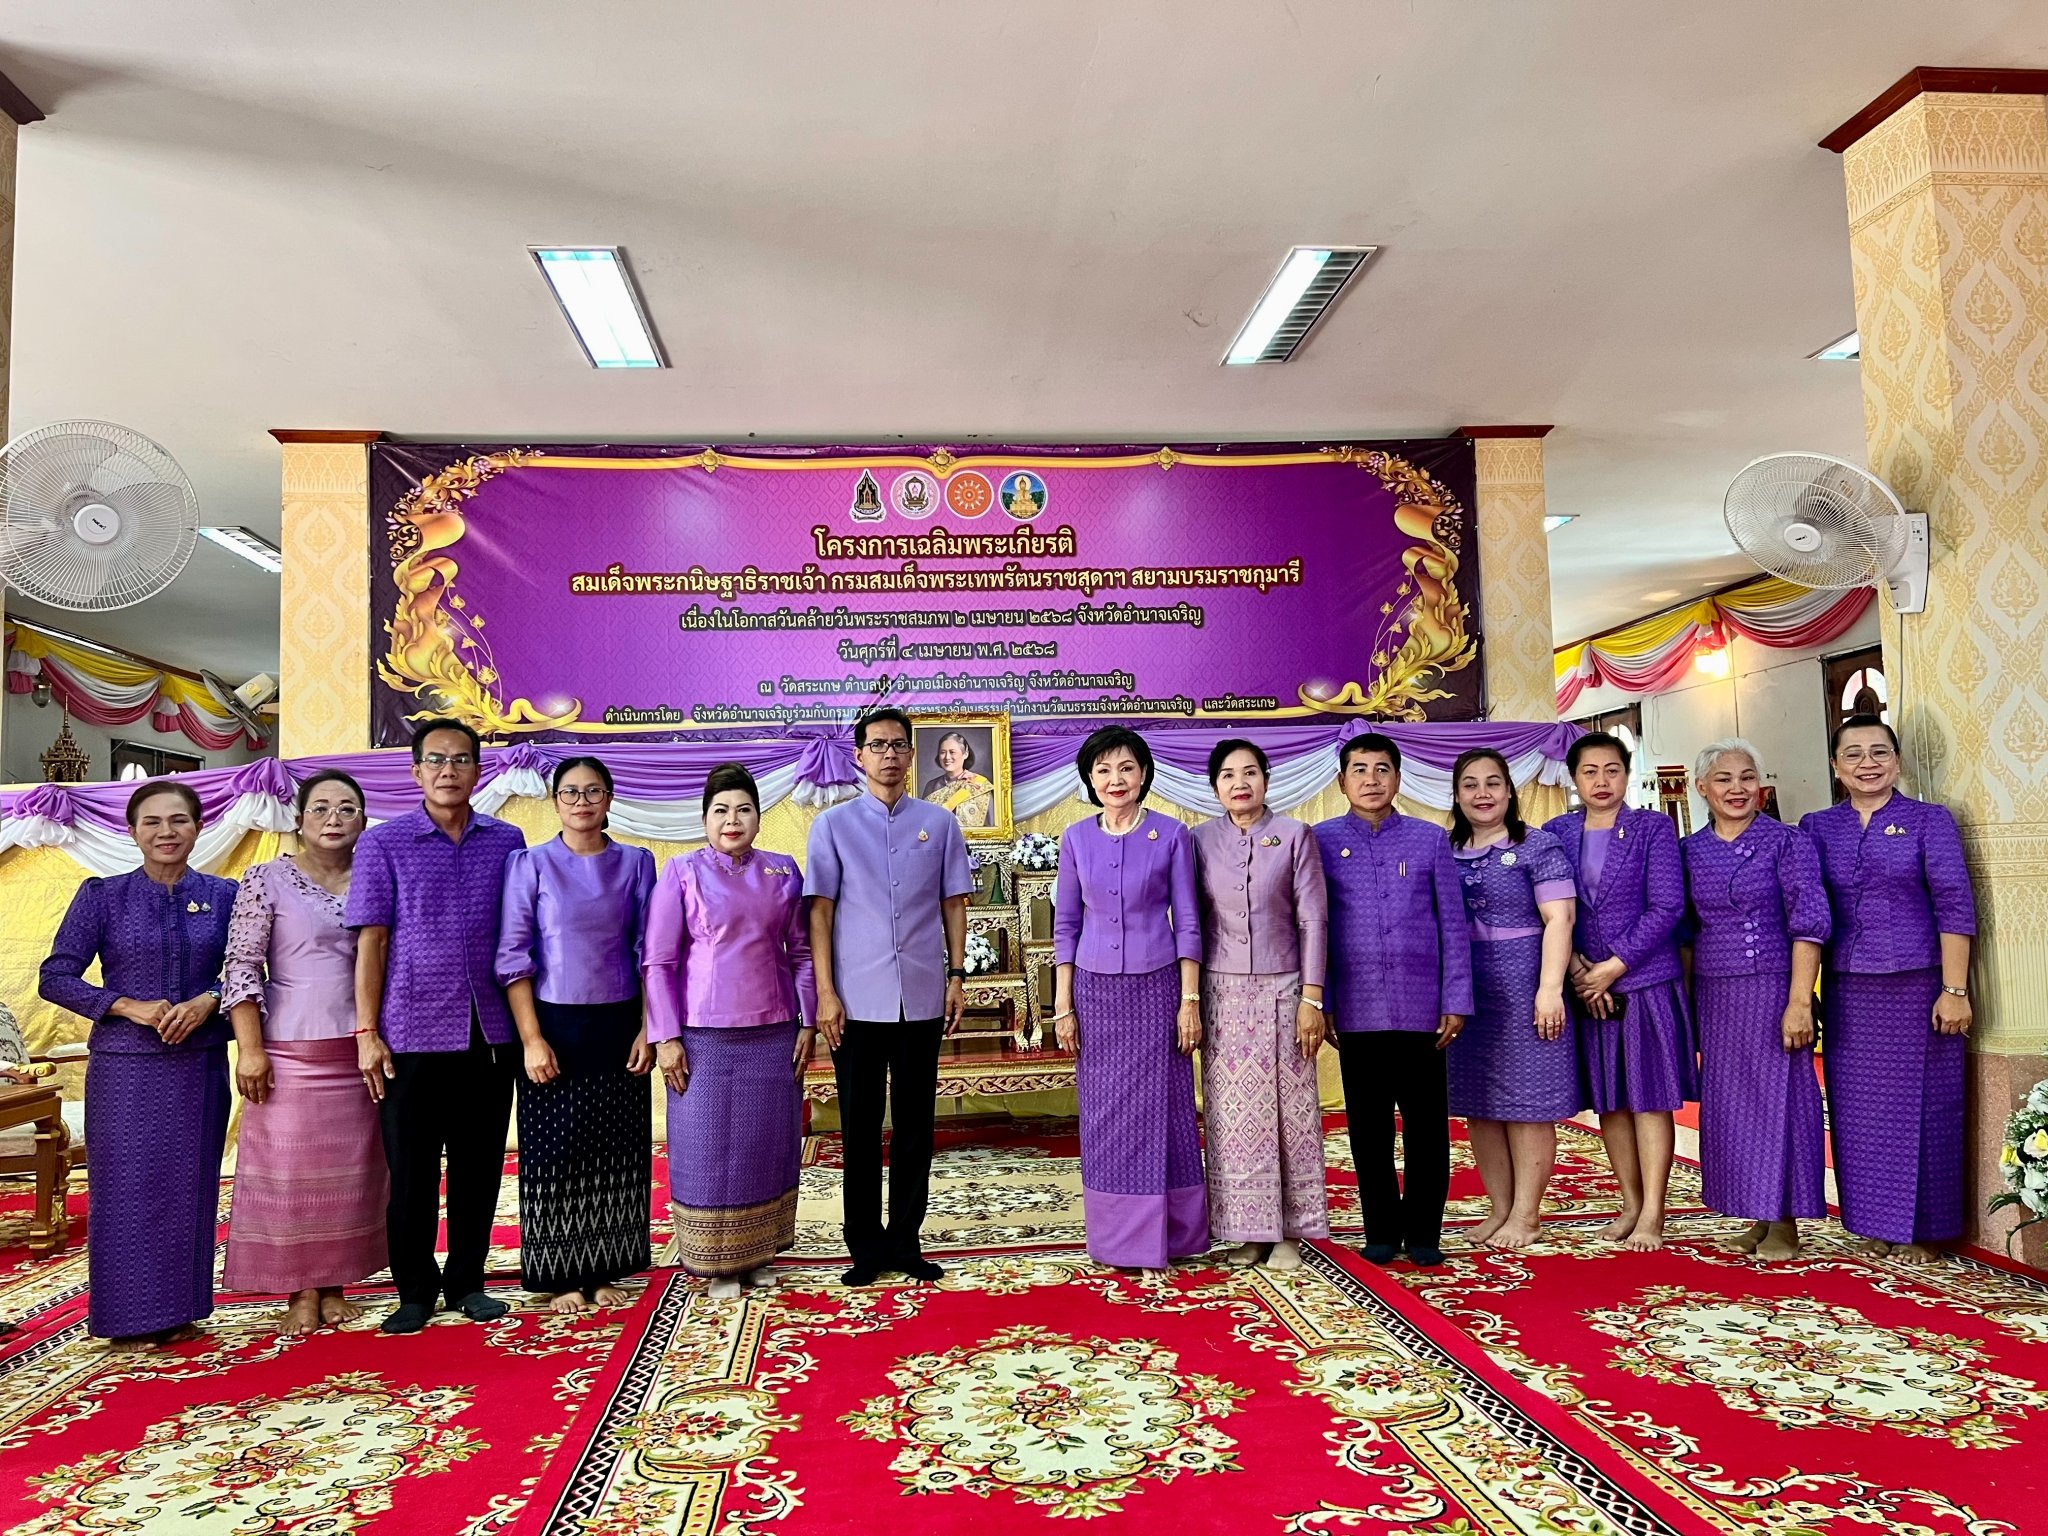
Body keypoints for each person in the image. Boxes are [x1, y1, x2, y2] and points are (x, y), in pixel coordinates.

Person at [40, 780, 236, 1351]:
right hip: (124, 1069)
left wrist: (209, 1001)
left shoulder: (225, 895)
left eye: (179, 820)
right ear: (132, 831)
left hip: (198, 1065)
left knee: (190, 1188)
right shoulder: (102, 896)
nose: (166, 832)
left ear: (198, 827)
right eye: (152, 822)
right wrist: (126, 1005)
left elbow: (250, 969)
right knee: (126, 1190)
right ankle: (126, 1320)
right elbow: (55, 977)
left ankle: (182, 1310)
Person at [345, 717, 525, 1333]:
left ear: (478, 770)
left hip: (489, 1031)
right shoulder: (383, 844)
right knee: (412, 1171)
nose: (449, 771)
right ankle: (415, 1291)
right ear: (416, 771)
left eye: (461, 760)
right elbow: (371, 942)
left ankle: (468, 1282)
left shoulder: (507, 841)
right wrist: (366, 1032)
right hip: (409, 1032)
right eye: (436, 760)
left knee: (479, 1166)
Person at [1800, 714, 1977, 1263]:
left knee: (1926, 1108)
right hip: (1850, 990)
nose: (1867, 763)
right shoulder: (1816, 826)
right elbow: (1807, 911)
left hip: (1921, 987)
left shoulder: (1929, 820)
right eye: (1853, 754)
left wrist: (1954, 989)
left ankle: (1925, 1229)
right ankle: (1875, 1222)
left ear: (1897, 762)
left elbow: (1955, 905)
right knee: (1860, 1112)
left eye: (1879, 752)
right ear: (1836, 767)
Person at [806, 707, 973, 1285]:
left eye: (899, 745)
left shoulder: (940, 823)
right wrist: (825, 992)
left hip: (921, 995)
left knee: (915, 1126)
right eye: (877, 745)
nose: (889, 755)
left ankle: (905, 1241)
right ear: (858, 756)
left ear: (912, 753)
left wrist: (957, 976)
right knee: (858, 1127)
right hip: (855, 1000)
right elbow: (820, 913)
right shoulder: (832, 825)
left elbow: (954, 902)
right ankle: (865, 1246)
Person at [221, 769, 386, 1334]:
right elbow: (242, 967)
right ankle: (300, 1289)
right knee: (289, 1174)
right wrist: (250, 1050)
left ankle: (336, 1283)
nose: (333, 819)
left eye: (347, 809)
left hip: (360, 1049)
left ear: (364, 820)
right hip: (287, 1051)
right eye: (320, 808)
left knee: (350, 1175)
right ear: (299, 819)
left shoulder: (377, 876)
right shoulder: (266, 878)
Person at [645, 763, 817, 1299]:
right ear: (704, 819)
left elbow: (802, 953)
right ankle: (714, 1263)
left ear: (759, 819)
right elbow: (658, 962)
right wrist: (665, 1037)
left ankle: (760, 1251)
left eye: (743, 809)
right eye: (720, 810)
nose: (732, 820)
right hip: (703, 1036)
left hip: (774, 1031)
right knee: (707, 1149)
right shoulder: (681, 872)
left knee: (767, 1144)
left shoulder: (783, 871)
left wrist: (809, 1021)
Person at [498, 757, 656, 1312]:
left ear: (609, 797)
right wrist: (531, 1039)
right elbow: (513, 956)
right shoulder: (530, 864)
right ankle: (561, 1276)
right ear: (555, 801)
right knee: (554, 1151)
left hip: (620, 1024)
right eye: (570, 792)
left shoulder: (636, 862)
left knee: (615, 1148)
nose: (582, 802)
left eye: (593, 791)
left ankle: (606, 1268)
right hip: (553, 1023)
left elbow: (650, 952)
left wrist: (649, 1028)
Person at [1052, 726, 1208, 1274]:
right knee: (1105, 1114)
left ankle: (1176, 1234)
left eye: (1125, 768)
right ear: (1089, 779)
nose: (1114, 780)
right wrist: (1063, 1007)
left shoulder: (1172, 834)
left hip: (1159, 988)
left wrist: (1189, 1000)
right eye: (1103, 770)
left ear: (1143, 774)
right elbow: (1066, 927)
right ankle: (1117, 1239)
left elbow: (1189, 922)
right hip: (1095, 993)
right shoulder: (1076, 838)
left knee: (1166, 1106)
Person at [1315, 732, 1473, 1268]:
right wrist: (1323, 1000)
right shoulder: (1320, 841)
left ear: (1398, 778)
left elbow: (1453, 925)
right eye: (1359, 771)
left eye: (1382, 769)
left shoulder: (1430, 840)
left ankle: (1425, 1230)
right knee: (1368, 1128)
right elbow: (1316, 927)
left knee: (1428, 1127)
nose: (1371, 780)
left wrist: (1456, 998)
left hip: (1422, 1008)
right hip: (1356, 1007)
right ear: (1342, 782)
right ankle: (1381, 1229)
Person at [1683, 739, 1831, 1261]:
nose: (1737, 788)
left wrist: (1800, 1002)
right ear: (1701, 788)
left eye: (1747, 777)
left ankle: (1786, 1220)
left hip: (1772, 987)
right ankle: (1759, 1211)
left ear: (1761, 787)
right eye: (1724, 779)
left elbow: (1810, 923)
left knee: (1781, 1102)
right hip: (1715, 994)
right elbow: (1684, 931)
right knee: (1734, 1107)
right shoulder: (1689, 850)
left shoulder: (1787, 842)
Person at [1552, 731, 1696, 1252]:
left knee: (1649, 1099)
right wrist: (1577, 969)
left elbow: (1667, 906)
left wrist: (1613, 967)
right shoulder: (1556, 833)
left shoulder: (1652, 828)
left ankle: (1654, 1211)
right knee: (1610, 1100)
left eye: (1612, 770)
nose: (1601, 781)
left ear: (1626, 775)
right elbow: (1550, 907)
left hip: (1643, 980)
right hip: (1586, 985)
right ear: (1574, 778)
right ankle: (1630, 1203)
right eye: (1590, 771)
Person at [1193, 739, 1330, 1269]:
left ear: (1267, 779)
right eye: (1228, 775)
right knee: (1233, 1116)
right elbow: (1192, 921)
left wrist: (1311, 996)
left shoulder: (1295, 835)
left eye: (1250, 772)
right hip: (1222, 992)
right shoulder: (1199, 840)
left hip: (1286, 988)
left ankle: (1292, 1231)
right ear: (1215, 787)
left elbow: (1313, 919)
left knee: (1290, 1111)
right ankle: (1249, 1230)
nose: (1240, 783)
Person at [1445, 748, 1581, 1250]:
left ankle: (1527, 1214)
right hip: (1468, 989)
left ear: (1509, 790)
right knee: (1480, 1103)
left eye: (1493, 783)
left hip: (1527, 984)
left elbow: (1560, 919)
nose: (1482, 794)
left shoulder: (1537, 846)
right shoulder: (1445, 849)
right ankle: (1500, 1208)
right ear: (1457, 795)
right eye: (1470, 784)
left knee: (1528, 1103)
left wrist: (1549, 989)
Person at [920, 729, 996, 830]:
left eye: (952, 752)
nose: (947, 757)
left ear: (965, 754)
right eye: (942, 752)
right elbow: (923, 824)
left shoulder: (979, 785)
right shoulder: (931, 786)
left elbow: (992, 828)